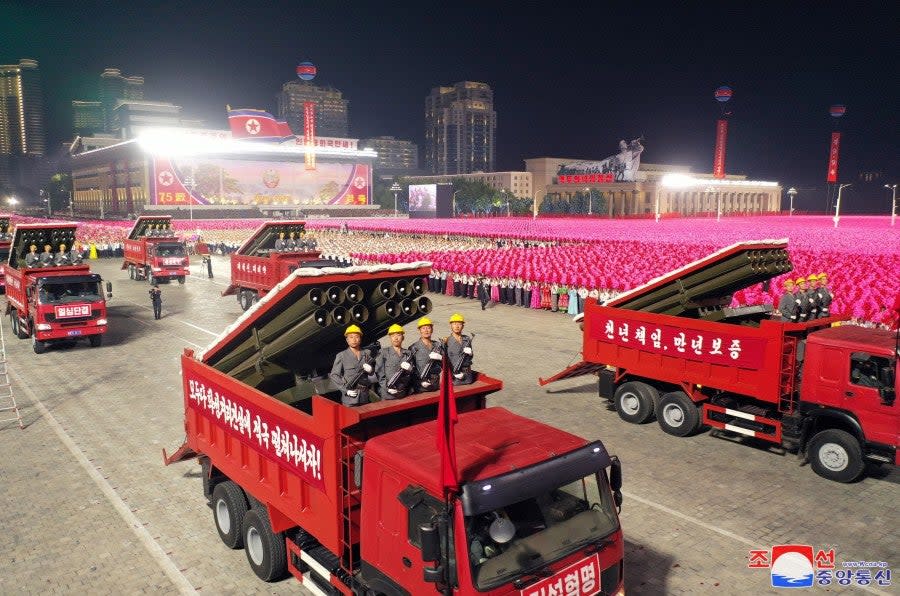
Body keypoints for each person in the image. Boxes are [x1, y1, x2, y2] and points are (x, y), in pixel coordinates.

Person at [329, 324, 377, 406]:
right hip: (350, 399)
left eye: (356, 337)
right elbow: (334, 375)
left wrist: (371, 370)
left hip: (364, 396)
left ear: (360, 339)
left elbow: (375, 373)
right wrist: (345, 390)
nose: (354, 339)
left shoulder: (367, 353)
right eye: (351, 337)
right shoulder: (341, 356)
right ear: (347, 340)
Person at [376, 324, 414, 400]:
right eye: (393, 335)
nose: (396, 338)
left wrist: (410, 369)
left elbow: (411, 375)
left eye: (398, 335)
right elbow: (379, 374)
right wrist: (387, 388)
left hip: (403, 393)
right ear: (390, 338)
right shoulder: (383, 353)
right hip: (387, 395)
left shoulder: (408, 353)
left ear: (403, 337)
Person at [409, 317, 444, 391]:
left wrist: (442, 358)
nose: (426, 330)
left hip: (436, 385)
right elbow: (411, 369)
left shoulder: (438, 345)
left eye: (428, 328)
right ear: (419, 330)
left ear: (432, 329)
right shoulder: (414, 348)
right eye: (423, 328)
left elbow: (446, 365)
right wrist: (419, 382)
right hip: (420, 387)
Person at [444, 313, 475, 385]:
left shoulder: (467, 339)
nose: (457, 326)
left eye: (459, 324)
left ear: (463, 326)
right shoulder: (446, 341)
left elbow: (470, 358)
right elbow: (444, 361)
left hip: (467, 376)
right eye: (454, 324)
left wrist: (470, 353)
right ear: (451, 325)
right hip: (454, 376)